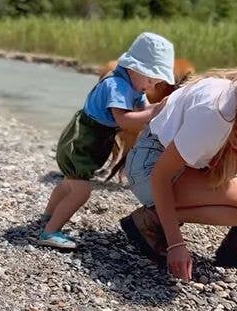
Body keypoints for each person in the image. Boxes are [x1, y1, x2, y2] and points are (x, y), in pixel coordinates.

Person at [121, 39, 237, 281]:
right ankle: (149, 221)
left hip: (183, 162)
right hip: (149, 167)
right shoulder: (215, 111)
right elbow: (161, 175)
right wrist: (176, 243)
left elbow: (205, 152)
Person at [39, 32, 175, 250]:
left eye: (156, 83)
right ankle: (50, 231)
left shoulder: (134, 87)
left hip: (89, 145)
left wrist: (161, 107)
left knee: (68, 183)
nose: (150, 87)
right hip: (80, 144)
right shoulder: (117, 85)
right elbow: (124, 120)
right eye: (150, 80)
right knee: (80, 191)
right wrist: (154, 112)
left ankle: (47, 216)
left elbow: (142, 110)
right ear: (134, 68)